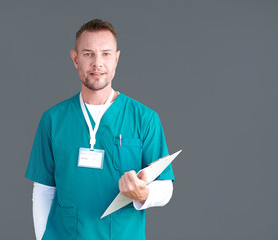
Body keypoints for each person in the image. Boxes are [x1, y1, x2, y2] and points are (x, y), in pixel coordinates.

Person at [25, 19, 175, 240]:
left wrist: (144, 194)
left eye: (106, 54)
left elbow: (165, 188)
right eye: (88, 54)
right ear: (75, 59)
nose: (97, 63)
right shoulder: (53, 119)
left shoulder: (144, 118)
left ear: (116, 59)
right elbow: (44, 190)